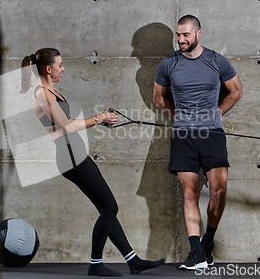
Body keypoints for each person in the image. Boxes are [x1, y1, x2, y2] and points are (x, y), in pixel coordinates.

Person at [21, 48, 165, 277]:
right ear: (48, 69)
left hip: (75, 153)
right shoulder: (41, 93)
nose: (63, 68)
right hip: (69, 157)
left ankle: (133, 261)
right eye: (60, 65)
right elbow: (66, 126)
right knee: (110, 207)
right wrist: (99, 118)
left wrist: (99, 121)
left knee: (105, 209)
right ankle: (95, 264)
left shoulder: (51, 89)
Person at [152, 15, 243, 270]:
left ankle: (207, 243)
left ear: (198, 33)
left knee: (219, 191)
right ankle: (195, 253)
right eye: (178, 35)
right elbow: (158, 98)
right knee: (190, 193)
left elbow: (236, 90)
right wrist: (177, 115)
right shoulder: (168, 64)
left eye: (186, 35)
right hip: (183, 134)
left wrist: (218, 113)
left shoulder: (216, 61)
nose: (181, 40)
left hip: (212, 133)